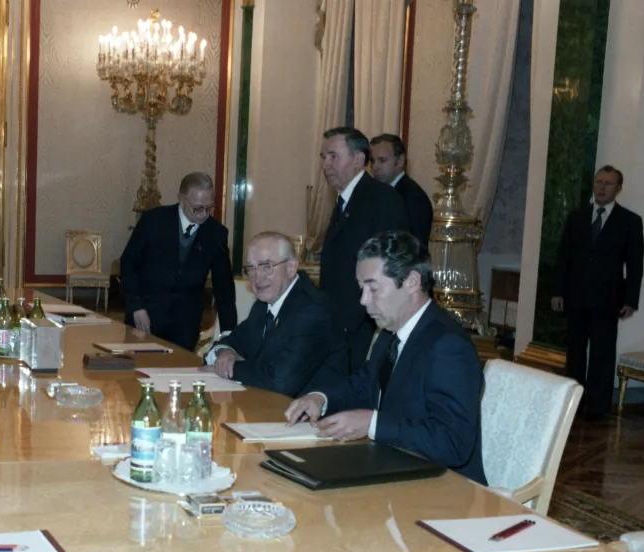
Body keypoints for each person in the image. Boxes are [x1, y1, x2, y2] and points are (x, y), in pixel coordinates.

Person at [286, 230, 486, 484]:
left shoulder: (448, 345)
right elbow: (361, 387)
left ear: (412, 281)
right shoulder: (389, 334)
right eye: (361, 289)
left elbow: (452, 442)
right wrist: (320, 398)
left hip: (444, 489)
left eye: (373, 288)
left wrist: (372, 424)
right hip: (397, 470)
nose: (363, 300)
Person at [551, 165, 644, 419]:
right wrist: (558, 292)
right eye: (599, 182)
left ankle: (598, 409)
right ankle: (572, 405)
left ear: (618, 189)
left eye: (608, 183)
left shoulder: (630, 222)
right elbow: (564, 257)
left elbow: (635, 265)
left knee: (602, 355)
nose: (602, 187)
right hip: (576, 297)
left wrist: (631, 300)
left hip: (608, 299)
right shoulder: (577, 218)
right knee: (575, 353)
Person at [201, 232, 342, 396]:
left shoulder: (313, 311)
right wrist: (225, 352)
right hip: (266, 405)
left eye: (266, 267)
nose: (257, 278)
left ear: (291, 267)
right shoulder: (264, 305)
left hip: (309, 415)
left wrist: (231, 368)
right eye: (251, 269)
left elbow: (281, 380)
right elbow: (231, 342)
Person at [318, 127, 411, 372]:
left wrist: (357, 320)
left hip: (364, 325)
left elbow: (389, 267)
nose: (326, 164)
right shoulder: (346, 199)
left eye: (333, 156)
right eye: (323, 157)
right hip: (339, 324)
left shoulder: (382, 199)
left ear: (358, 159)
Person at [120, 172, 237, 351]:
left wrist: (229, 335)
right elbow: (128, 264)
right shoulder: (153, 221)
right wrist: (136, 306)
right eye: (198, 208)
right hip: (144, 316)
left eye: (209, 207)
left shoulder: (216, 233)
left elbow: (224, 287)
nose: (204, 214)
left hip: (185, 325)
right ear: (182, 200)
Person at [370, 133, 434, 245]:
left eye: (382, 160)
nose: (375, 167)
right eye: (373, 161)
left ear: (400, 161)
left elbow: (413, 248)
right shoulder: (377, 193)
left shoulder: (414, 198)